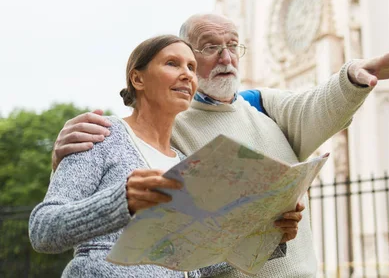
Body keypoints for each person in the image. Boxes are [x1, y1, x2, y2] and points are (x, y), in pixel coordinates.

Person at [51, 14, 389, 277]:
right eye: (210, 47)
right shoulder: (145, 130)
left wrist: (353, 78)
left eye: (233, 45)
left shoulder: (261, 103)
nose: (227, 58)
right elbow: (61, 223)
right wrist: (63, 161)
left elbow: (195, 255)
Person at [29, 35, 285, 277]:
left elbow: (191, 262)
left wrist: (267, 232)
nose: (187, 74)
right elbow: (43, 230)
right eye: (172, 64)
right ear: (138, 79)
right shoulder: (101, 135)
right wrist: (122, 201)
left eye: (191, 67)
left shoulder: (186, 162)